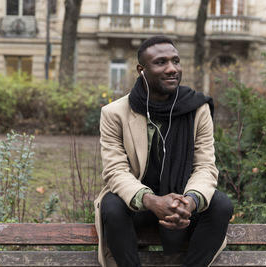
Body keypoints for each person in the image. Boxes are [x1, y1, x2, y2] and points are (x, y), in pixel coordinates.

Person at [94, 35, 233, 267]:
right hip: (138, 204)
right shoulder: (114, 113)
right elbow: (115, 170)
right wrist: (150, 200)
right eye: (161, 62)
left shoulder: (197, 108)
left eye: (176, 61)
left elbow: (205, 166)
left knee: (220, 204)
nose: (172, 69)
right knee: (111, 205)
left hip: (181, 202)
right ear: (142, 69)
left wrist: (190, 201)